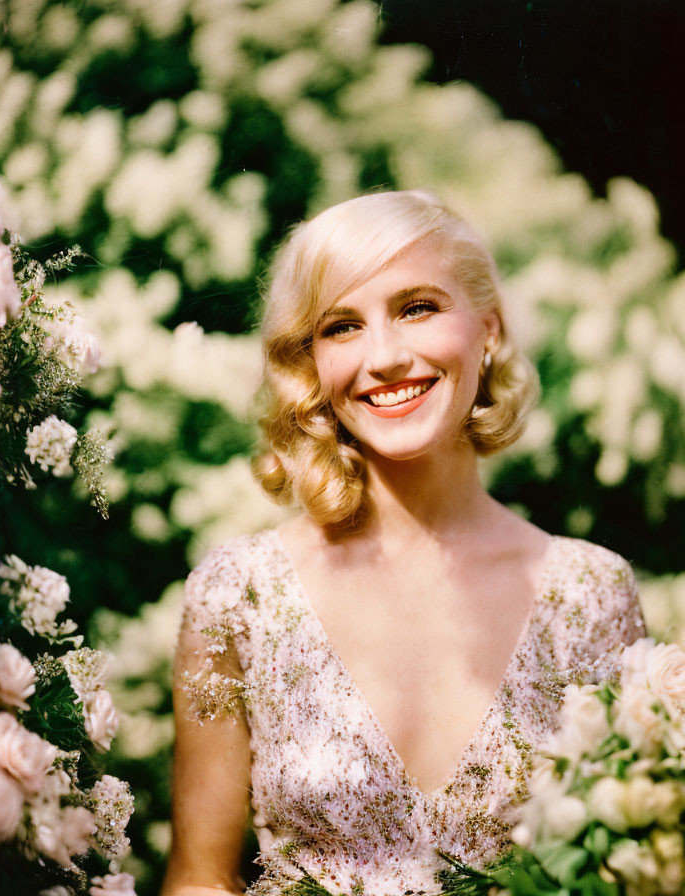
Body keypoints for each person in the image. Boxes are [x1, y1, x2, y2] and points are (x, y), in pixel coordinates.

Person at [161, 190, 646, 896]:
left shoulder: (591, 596)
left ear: (488, 328)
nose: (384, 357)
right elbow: (198, 880)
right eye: (342, 327)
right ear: (310, 364)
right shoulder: (238, 596)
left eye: (417, 308)